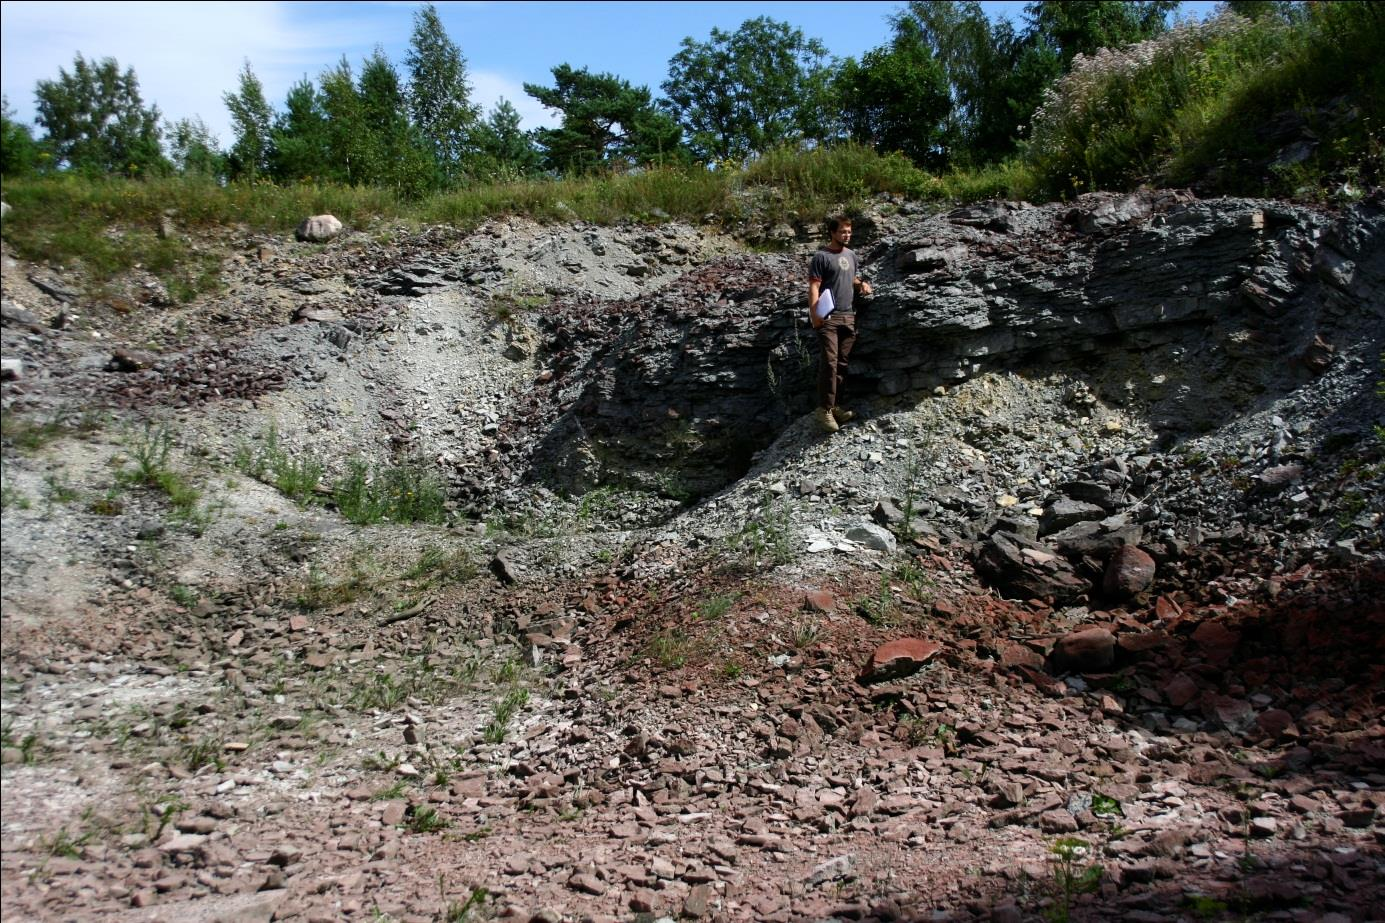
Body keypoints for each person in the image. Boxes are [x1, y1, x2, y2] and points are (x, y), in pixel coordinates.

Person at [808, 215, 872, 433]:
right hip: (829, 317)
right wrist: (815, 313)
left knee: (842, 363)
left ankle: (836, 406)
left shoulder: (851, 255)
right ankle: (823, 409)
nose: (847, 235)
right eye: (843, 232)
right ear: (833, 233)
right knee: (830, 362)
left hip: (848, 316)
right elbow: (814, 286)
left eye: (849, 231)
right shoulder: (821, 257)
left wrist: (861, 284)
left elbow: (849, 277)